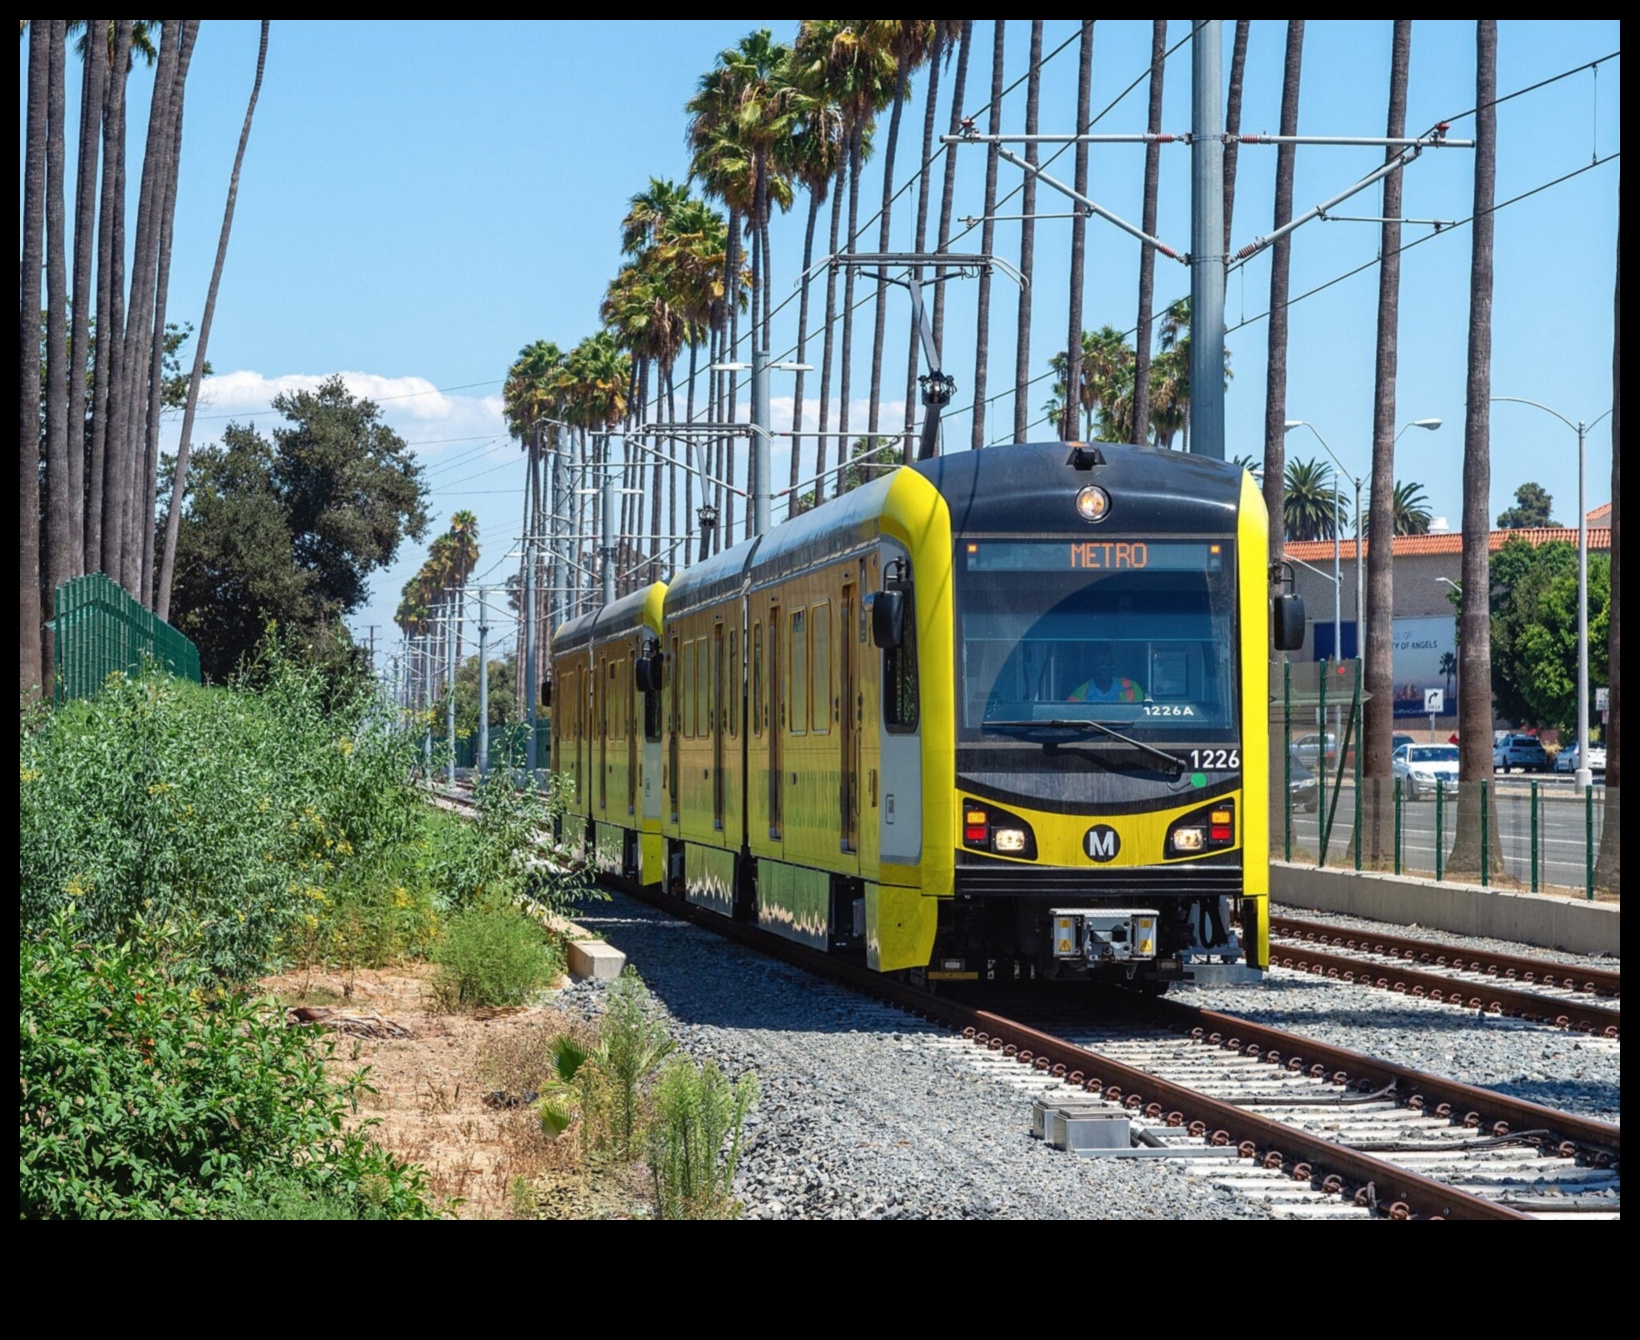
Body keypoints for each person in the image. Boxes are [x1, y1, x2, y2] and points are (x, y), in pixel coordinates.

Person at [1066, 647, 1144, 702]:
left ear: (1113, 665)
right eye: (1099, 664)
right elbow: (1068, 717)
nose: (1103, 668)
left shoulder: (1132, 687)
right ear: (1091, 667)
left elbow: (1141, 716)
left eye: (1107, 663)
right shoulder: (1079, 694)